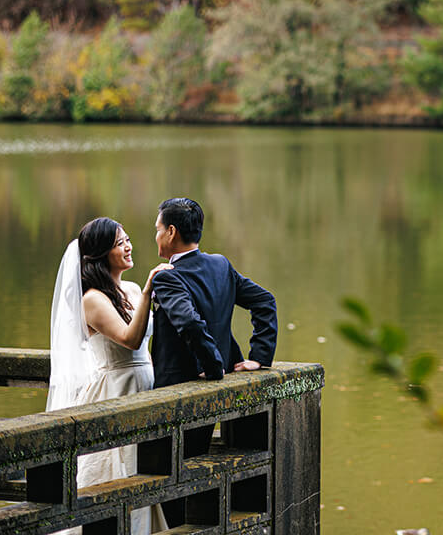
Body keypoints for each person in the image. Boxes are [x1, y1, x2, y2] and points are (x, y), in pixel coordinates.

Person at [46, 217, 169, 535]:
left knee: (143, 471)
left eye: (127, 239)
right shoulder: (92, 300)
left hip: (144, 386)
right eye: (119, 243)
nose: (128, 246)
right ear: (101, 254)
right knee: (114, 470)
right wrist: (148, 291)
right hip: (114, 389)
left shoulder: (127, 288)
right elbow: (130, 339)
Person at [149, 197, 277, 389]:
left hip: (181, 386)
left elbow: (190, 322)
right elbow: (265, 301)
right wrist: (260, 356)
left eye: (158, 230)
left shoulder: (167, 277)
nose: (157, 236)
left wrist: (213, 367)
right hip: (223, 377)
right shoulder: (220, 265)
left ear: (171, 232)